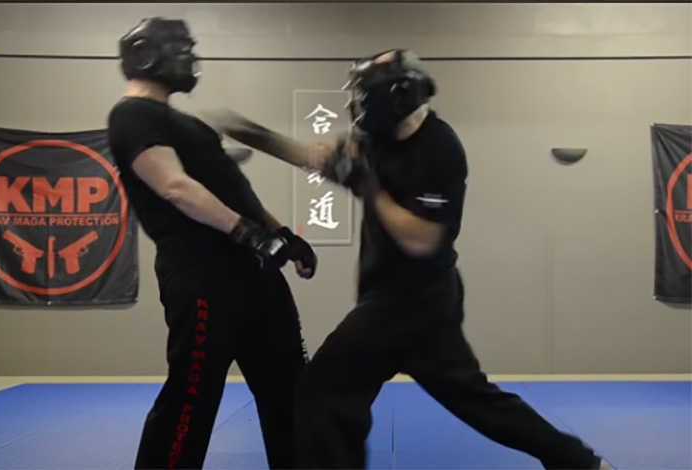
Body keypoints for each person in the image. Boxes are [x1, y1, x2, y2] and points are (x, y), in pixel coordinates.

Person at [206, 49, 610, 470]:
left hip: (409, 301)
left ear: (394, 98)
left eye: (364, 96)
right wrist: (244, 131)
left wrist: (371, 189)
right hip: (411, 301)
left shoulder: (440, 149)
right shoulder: (374, 139)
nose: (356, 105)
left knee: (324, 389)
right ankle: (580, 463)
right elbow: (316, 158)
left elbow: (423, 238)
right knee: (475, 400)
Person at [105, 17, 317, 470]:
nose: (191, 59)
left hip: (256, 277)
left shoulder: (185, 123)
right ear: (146, 55)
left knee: (292, 392)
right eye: (182, 49)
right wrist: (246, 233)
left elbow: (233, 192)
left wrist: (283, 234)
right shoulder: (132, 115)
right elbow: (174, 187)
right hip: (205, 279)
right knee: (192, 398)